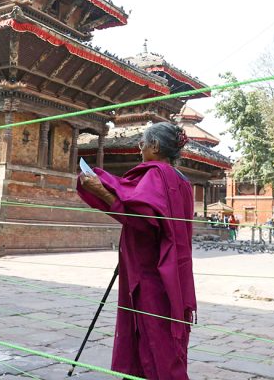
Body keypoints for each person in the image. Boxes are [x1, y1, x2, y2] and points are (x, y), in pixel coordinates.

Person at [77, 122, 195, 379]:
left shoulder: (155, 174)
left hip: (150, 270)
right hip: (174, 269)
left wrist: (101, 191)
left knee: (153, 336)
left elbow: (143, 221)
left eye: (142, 143)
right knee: (167, 334)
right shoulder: (182, 181)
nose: (140, 149)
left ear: (155, 146)